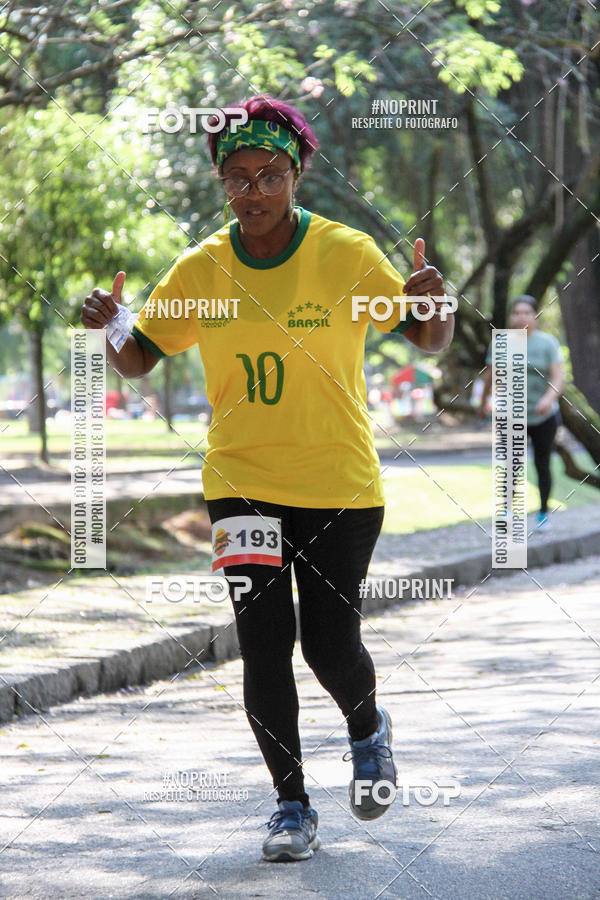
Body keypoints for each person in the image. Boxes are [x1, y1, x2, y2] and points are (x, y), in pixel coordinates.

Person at [81, 94, 454, 862]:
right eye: (238, 177)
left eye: (269, 176)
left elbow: (427, 338)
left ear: (296, 176)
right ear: (222, 181)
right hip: (241, 483)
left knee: (329, 647)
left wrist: (436, 302)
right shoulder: (202, 267)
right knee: (263, 643)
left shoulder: (346, 253)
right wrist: (110, 325)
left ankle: (368, 728)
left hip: (339, 485)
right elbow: (140, 355)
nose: (253, 192)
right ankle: (291, 807)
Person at [479, 294, 565, 531]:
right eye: (516, 313)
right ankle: (507, 512)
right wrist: (484, 402)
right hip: (512, 415)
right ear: (511, 317)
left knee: (542, 464)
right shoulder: (501, 343)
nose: (521, 317)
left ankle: (543, 513)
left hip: (543, 415)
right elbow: (490, 376)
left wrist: (548, 398)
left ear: (535, 315)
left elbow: (558, 378)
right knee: (511, 464)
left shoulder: (547, 343)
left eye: (526, 313)